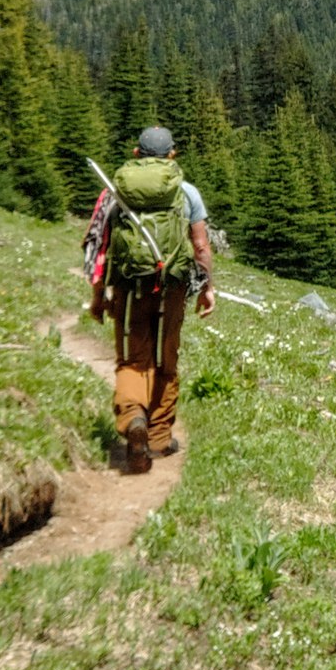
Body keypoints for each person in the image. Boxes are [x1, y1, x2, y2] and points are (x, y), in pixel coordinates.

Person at [93, 125, 215, 474]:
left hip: (129, 288)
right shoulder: (186, 192)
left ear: (137, 154)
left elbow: (101, 247)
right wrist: (206, 288)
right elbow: (201, 246)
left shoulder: (117, 192)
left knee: (133, 359)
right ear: (171, 155)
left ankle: (134, 417)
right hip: (172, 287)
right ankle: (160, 438)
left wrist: (98, 296)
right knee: (166, 357)